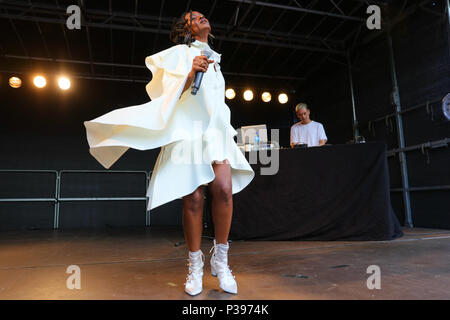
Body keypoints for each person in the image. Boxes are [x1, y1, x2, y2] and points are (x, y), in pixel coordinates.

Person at [83, 11, 255, 296]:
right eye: (193, 17)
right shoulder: (177, 53)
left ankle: (221, 261)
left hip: (214, 130)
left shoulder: (215, 57)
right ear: (183, 28)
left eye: (202, 14)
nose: (200, 17)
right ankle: (194, 264)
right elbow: (165, 95)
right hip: (186, 131)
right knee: (194, 196)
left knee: (224, 188)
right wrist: (189, 74)